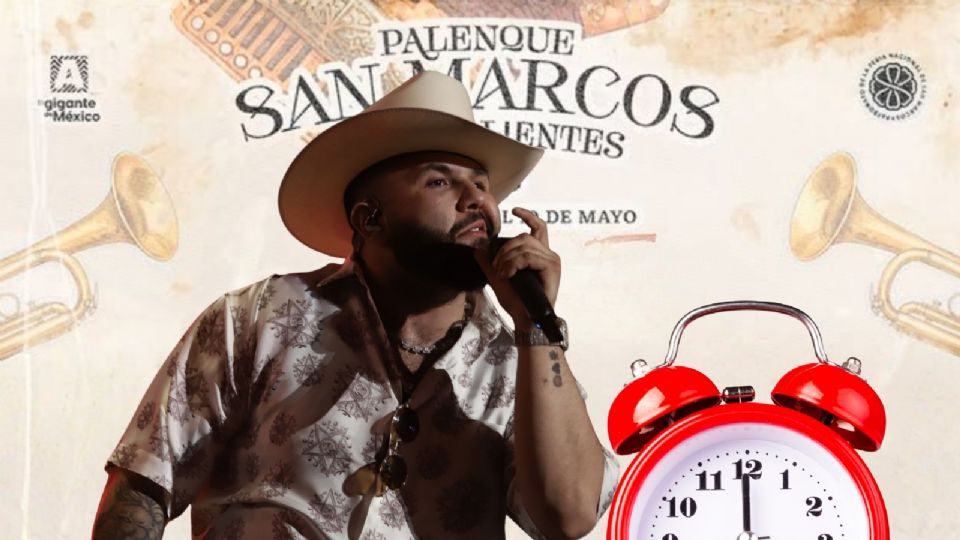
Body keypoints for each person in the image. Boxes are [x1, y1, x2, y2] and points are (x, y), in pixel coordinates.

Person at [92, 71, 619, 540]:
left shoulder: (516, 359)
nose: (477, 199)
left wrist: (536, 327)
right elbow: (144, 484)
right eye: (440, 181)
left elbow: (569, 518)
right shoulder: (260, 315)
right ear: (369, 219)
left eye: (482, 185)